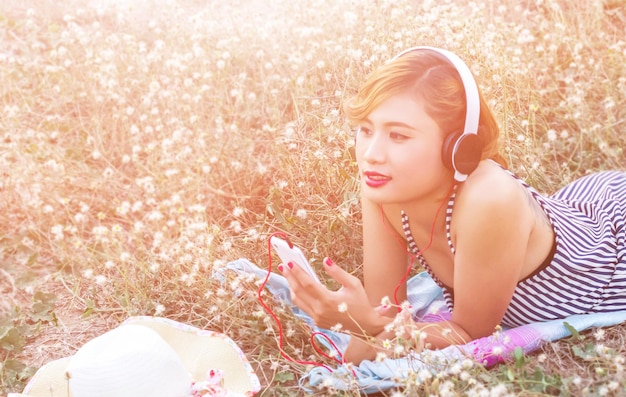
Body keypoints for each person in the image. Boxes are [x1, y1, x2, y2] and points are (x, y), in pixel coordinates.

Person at [279, 46, 626, 364]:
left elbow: (469, 333)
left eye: (398, 135)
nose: (371, 154)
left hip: (612, 248)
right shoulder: (381, 185)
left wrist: (365, 322)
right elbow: (383, 312)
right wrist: (349, 360)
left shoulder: (490, 200)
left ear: (458, 147)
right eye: (366, 129)